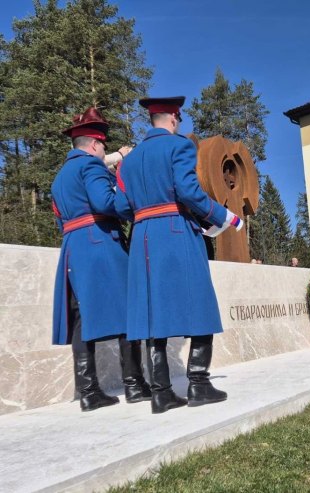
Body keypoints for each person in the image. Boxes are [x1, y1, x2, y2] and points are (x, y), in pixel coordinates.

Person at [115, 96, 243, 414]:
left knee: (152, 314)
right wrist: (224, 216)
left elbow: (120, 206)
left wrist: (145, 215)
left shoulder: (129, 161)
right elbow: (188, 191)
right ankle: (199, 383)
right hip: (175, 231)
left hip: (142, 236)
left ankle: (161, 393)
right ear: (173, 118)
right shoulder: (180, 145)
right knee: (200, 303)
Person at [51, 107, 150, 412]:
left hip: (73, 246)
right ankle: (134, 385)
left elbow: (59, 219)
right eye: (103, 146)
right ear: (94, 144)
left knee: (81, 316)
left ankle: (88, 391)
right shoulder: (92, 166)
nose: (104, 151)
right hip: (100, 242)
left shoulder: (60, 177)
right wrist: (127, 193)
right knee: (128, 309)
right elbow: (106, 202)